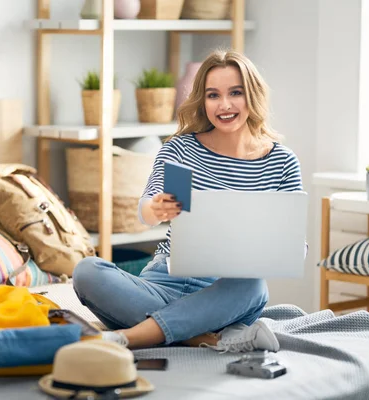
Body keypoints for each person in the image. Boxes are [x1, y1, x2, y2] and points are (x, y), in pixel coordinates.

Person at [72, 49, 304, 353]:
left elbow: (295, 246)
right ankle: (202, 337)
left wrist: (283, 248)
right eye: (213, 95)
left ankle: (131, 337)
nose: (224, 105)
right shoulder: (182, 150)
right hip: (161, 282)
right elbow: (146, 211)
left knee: (253, 285)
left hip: (225, 293)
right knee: (87, 271)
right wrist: (155, 208)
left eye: (235, 93)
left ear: (252, 95)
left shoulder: (281, 162)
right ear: (202, 101)